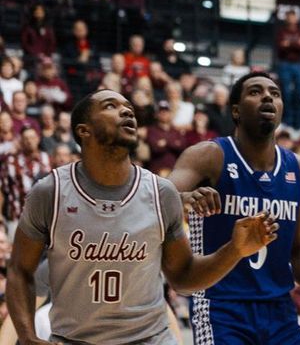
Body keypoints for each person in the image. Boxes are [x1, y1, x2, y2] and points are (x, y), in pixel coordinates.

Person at [7, 90, 275, 345]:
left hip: (150, 338)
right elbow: (20, 271)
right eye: (111, 106)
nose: (126, 112)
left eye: (129, 108)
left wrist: (234, 250)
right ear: (83, 130)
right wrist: (29, 338)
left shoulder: (161, 193)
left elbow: (182, 277)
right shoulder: (50, 192)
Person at [168, 71, 300, 344]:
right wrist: (186, 198)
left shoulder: (299, 169)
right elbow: (158, 197)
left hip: (280, 310)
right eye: (255, 92)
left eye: (275, 93)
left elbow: (297, 249)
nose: (268, 96)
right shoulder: (209, 155)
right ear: (236, 111)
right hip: (221, 306)